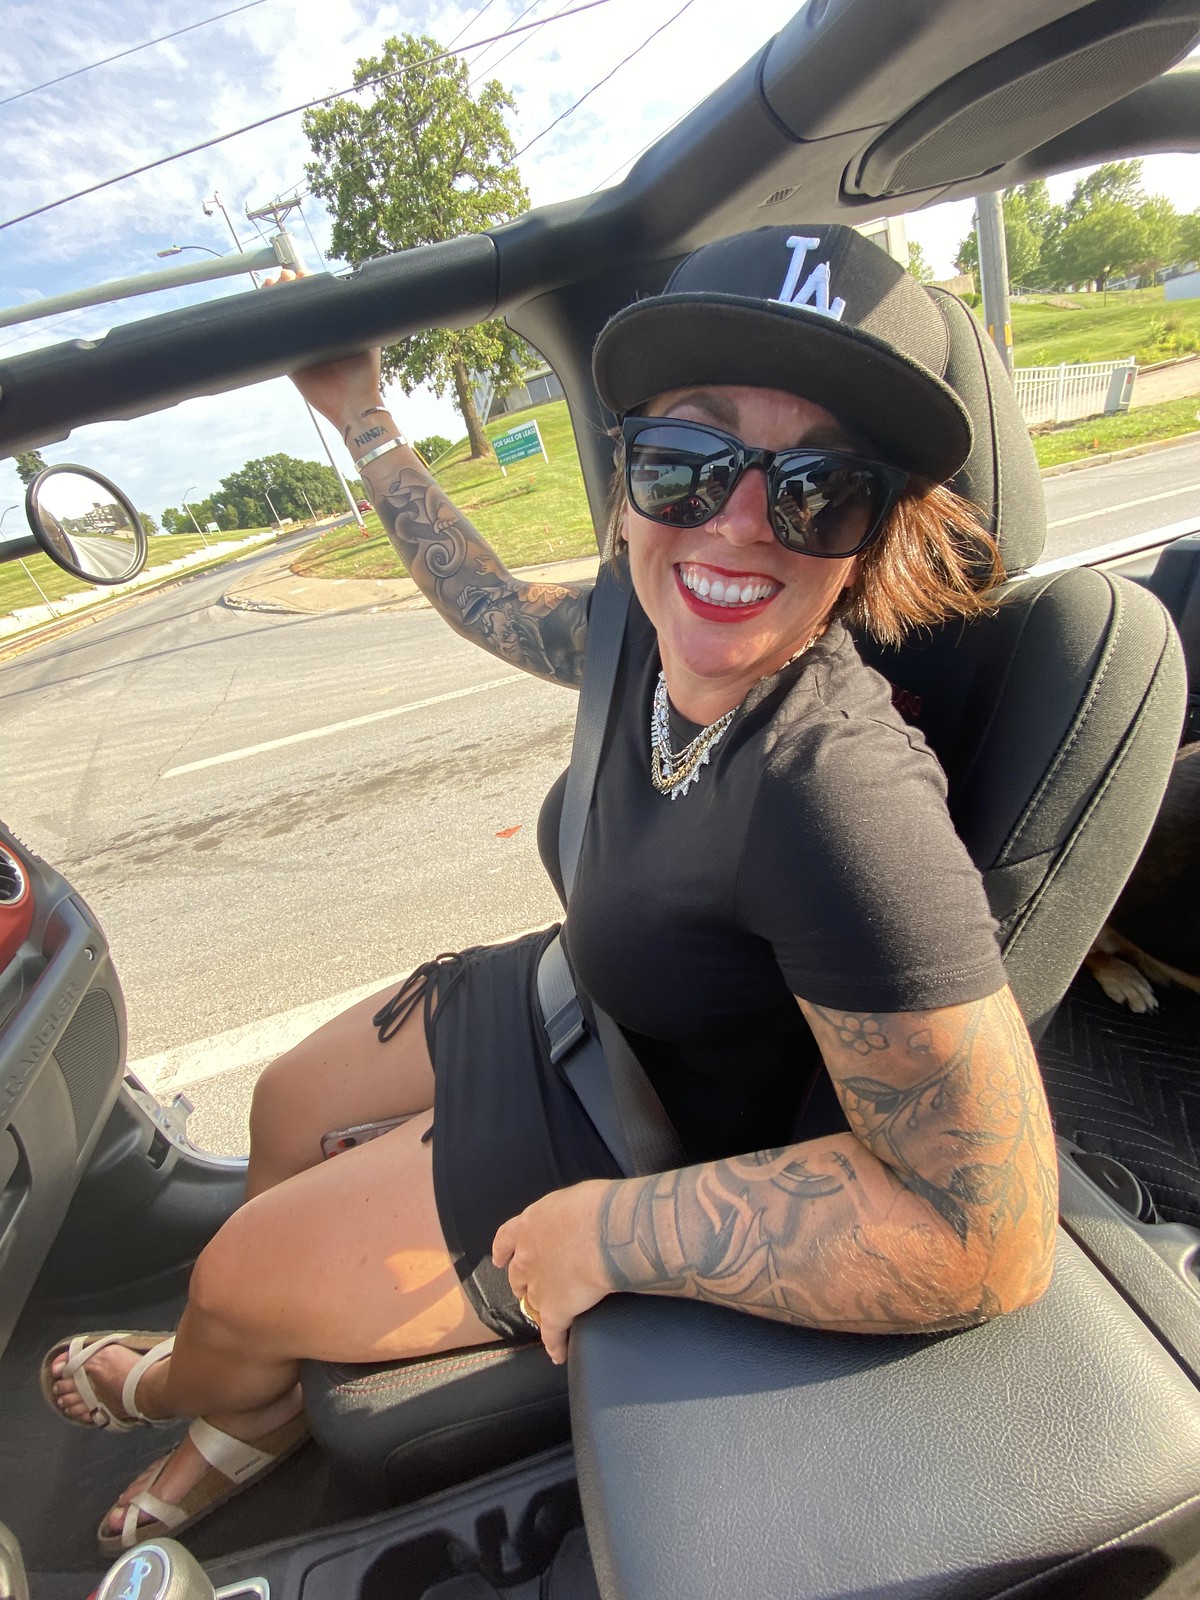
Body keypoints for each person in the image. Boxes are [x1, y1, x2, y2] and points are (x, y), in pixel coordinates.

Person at [45, 224, 1058, 1553]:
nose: (736, 524)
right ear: (627, 481)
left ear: (870, 540)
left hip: (633, 1132)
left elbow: (987, 1234)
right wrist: (362, 420)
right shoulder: (639, 619)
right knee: (286, 1100)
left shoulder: (844, 797)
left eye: (819, 490)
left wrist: (618, 1232)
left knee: (234, 1277)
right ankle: (260, 1375)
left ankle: (207, 1391)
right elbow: (482, 598)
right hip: (566, 1000)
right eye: (685, 460)